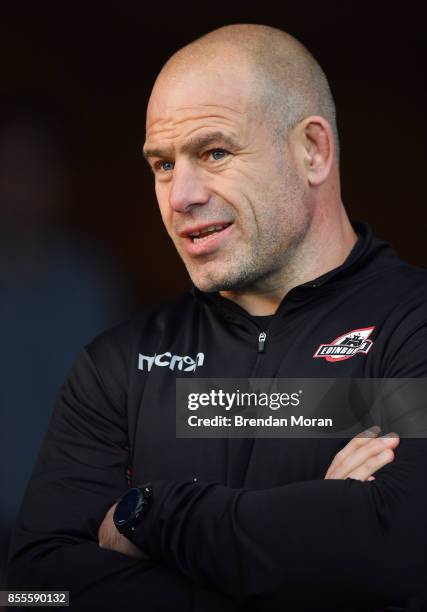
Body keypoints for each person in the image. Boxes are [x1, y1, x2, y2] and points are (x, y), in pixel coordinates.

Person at [7, 24, 427, 611]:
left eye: (214, 152)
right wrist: (305, 565)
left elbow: (399, 553)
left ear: (313, 151)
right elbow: (33, 591)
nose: (180, 196)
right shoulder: (119, 364)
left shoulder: (412, 327)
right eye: (161, 165)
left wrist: (146, 515)